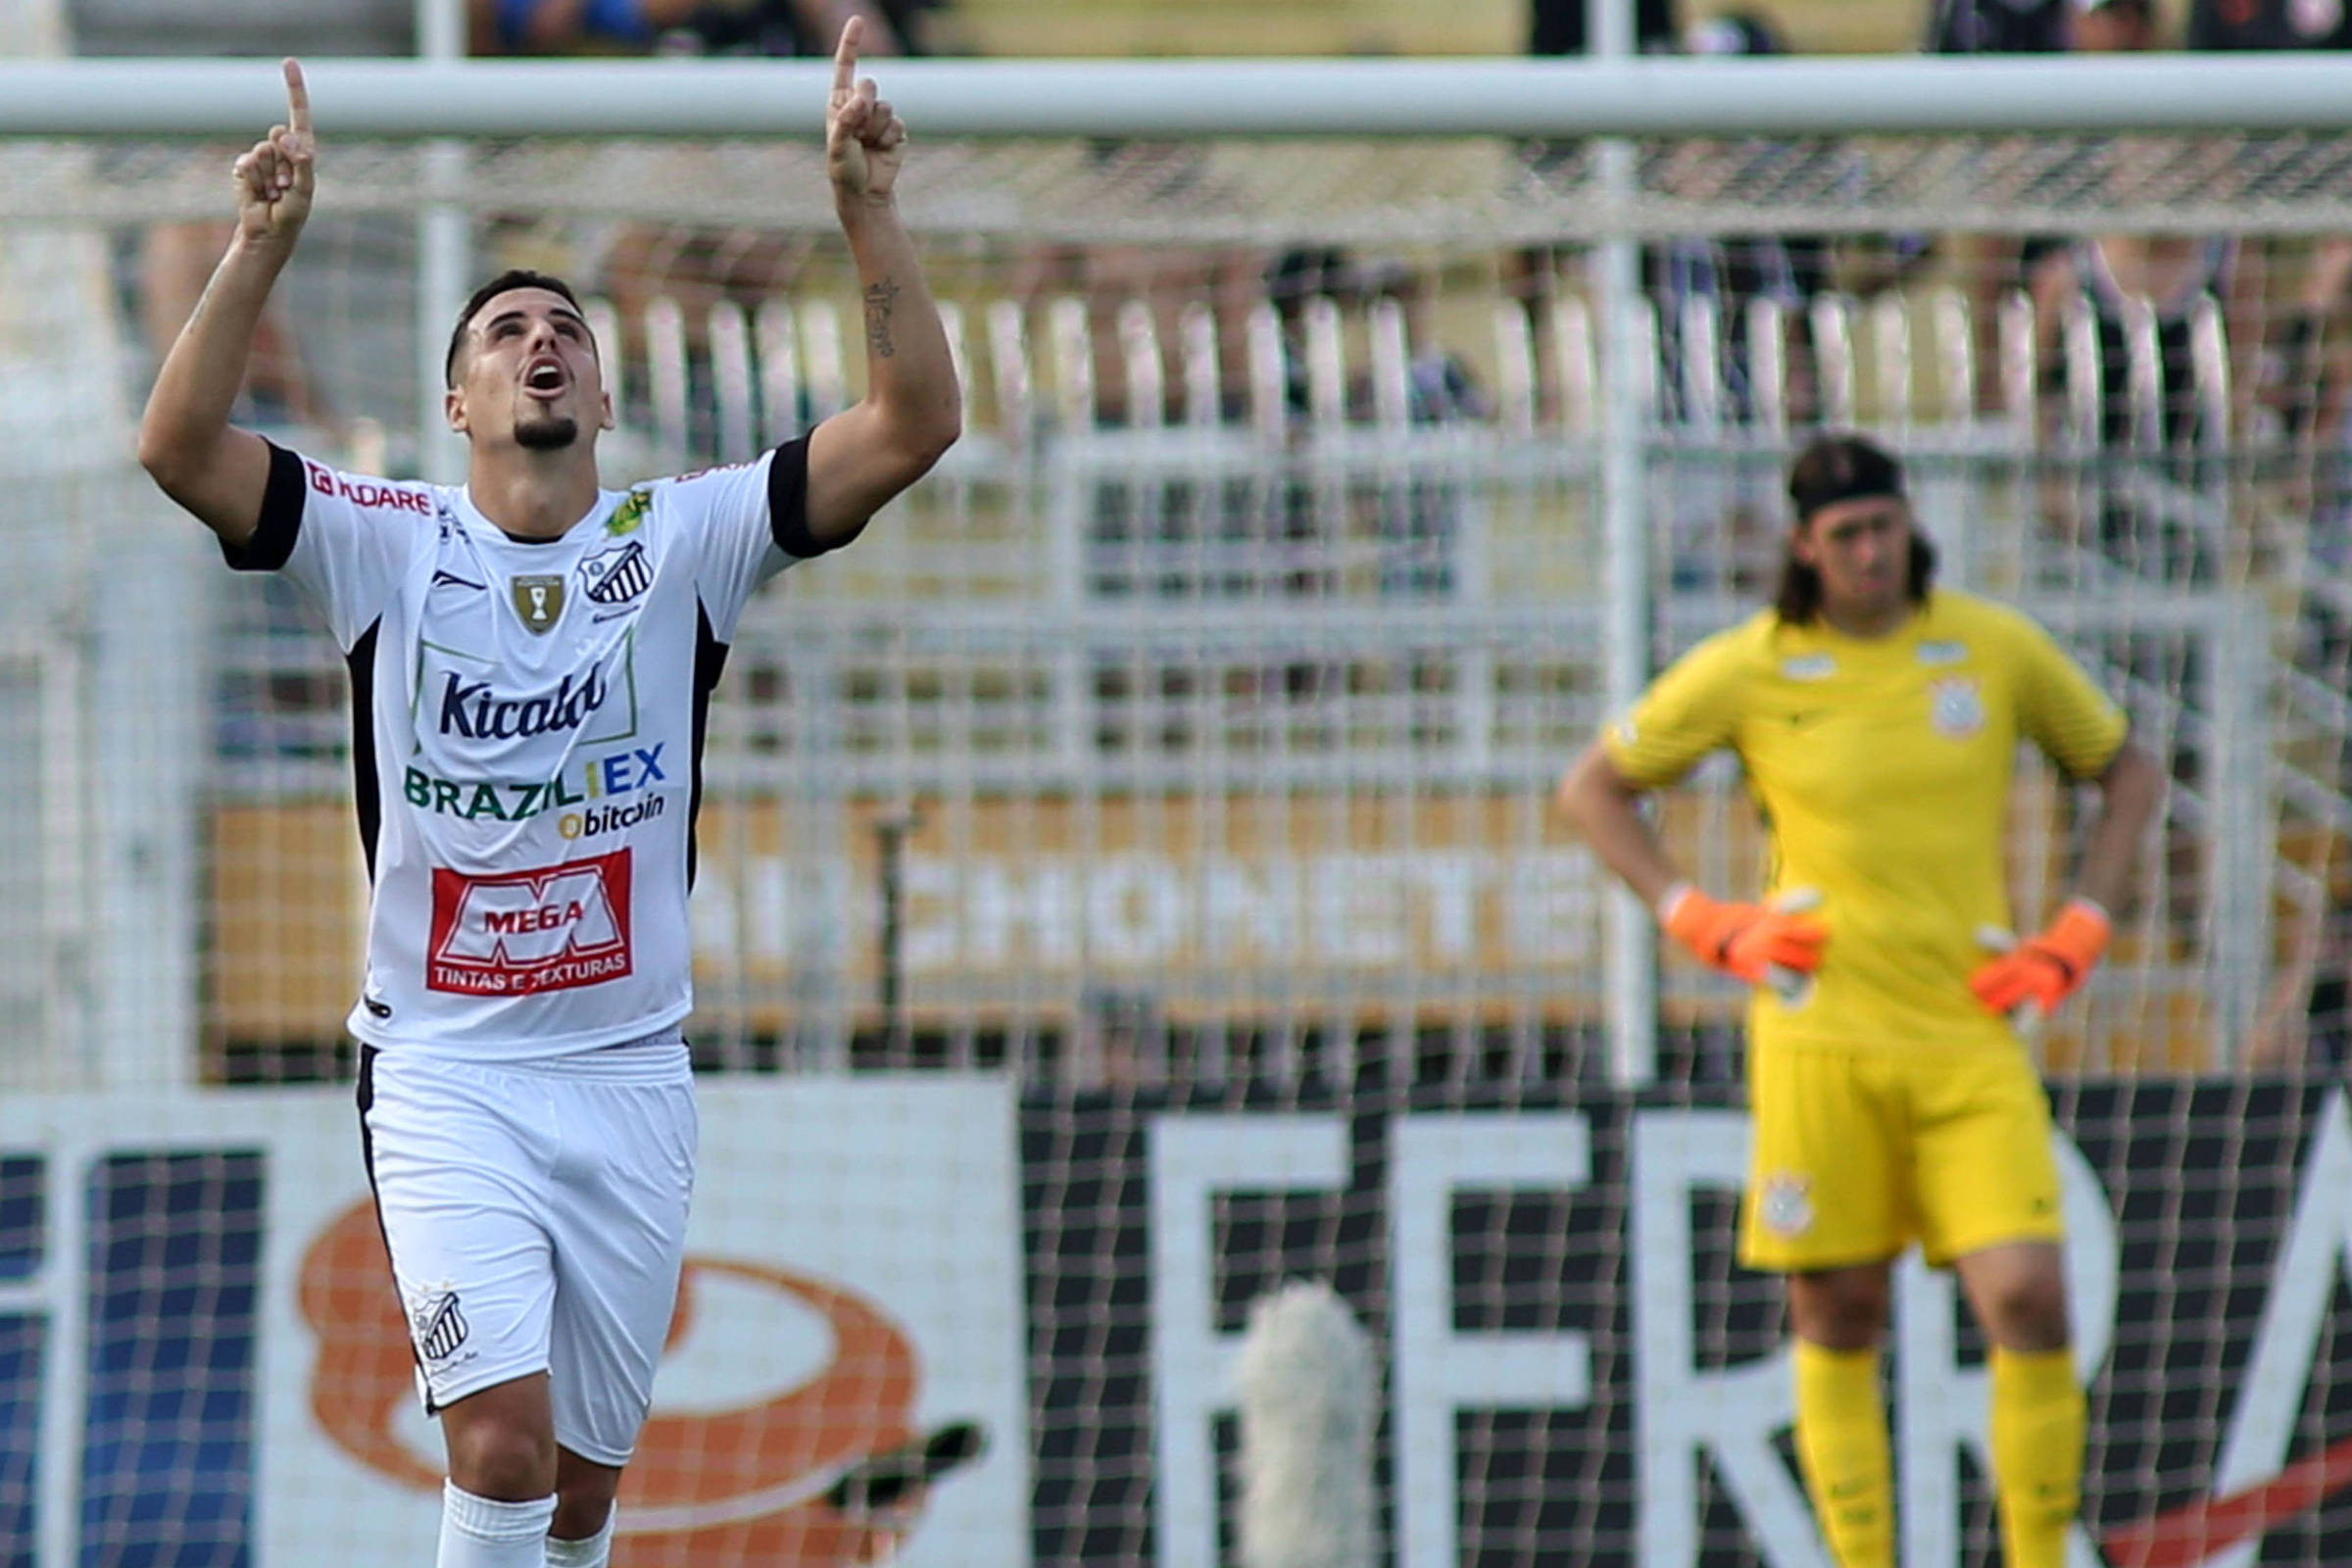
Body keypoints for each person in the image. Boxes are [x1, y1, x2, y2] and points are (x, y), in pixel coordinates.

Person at [137, 23, 958, 1568]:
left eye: (564, 327)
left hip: (628, 1076)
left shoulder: (688, 539)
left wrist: (868, 212)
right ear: (458, 404)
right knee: (499, 1445)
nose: (541, 342)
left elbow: (914, 427)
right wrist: (258, 249)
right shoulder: (380, 540)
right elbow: (175, 445)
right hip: (446, 1080)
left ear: (596, 382)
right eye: (507, 329)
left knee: (576, 1497)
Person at [1554, 433, 2164, 1568]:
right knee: (1836, 1311)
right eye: (1845, 536)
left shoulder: (1987, 648)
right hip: (1820, 1036)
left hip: (1966, 1034)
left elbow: (2127, 771)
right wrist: (1699, 915)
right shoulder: (1752, 667)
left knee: (2029, 1294)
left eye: (1884, 526)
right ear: (1804, 546)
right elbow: (1594, 790)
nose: (1872, 552)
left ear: (1908, 523)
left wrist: (2081, 925)